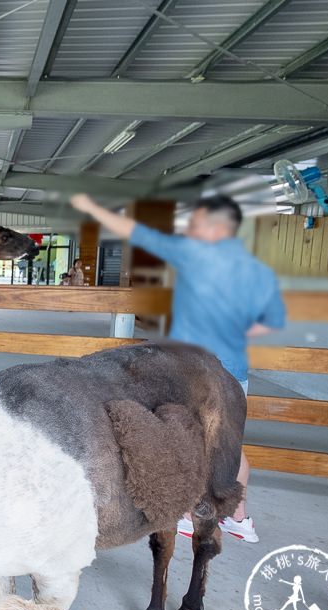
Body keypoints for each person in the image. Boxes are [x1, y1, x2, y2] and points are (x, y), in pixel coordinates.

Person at [70, 193, 285, 544]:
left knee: (205, 439)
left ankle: (202, 513)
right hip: (216, 365)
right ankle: (234, 516)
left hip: (206, 368)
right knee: (225, 443)